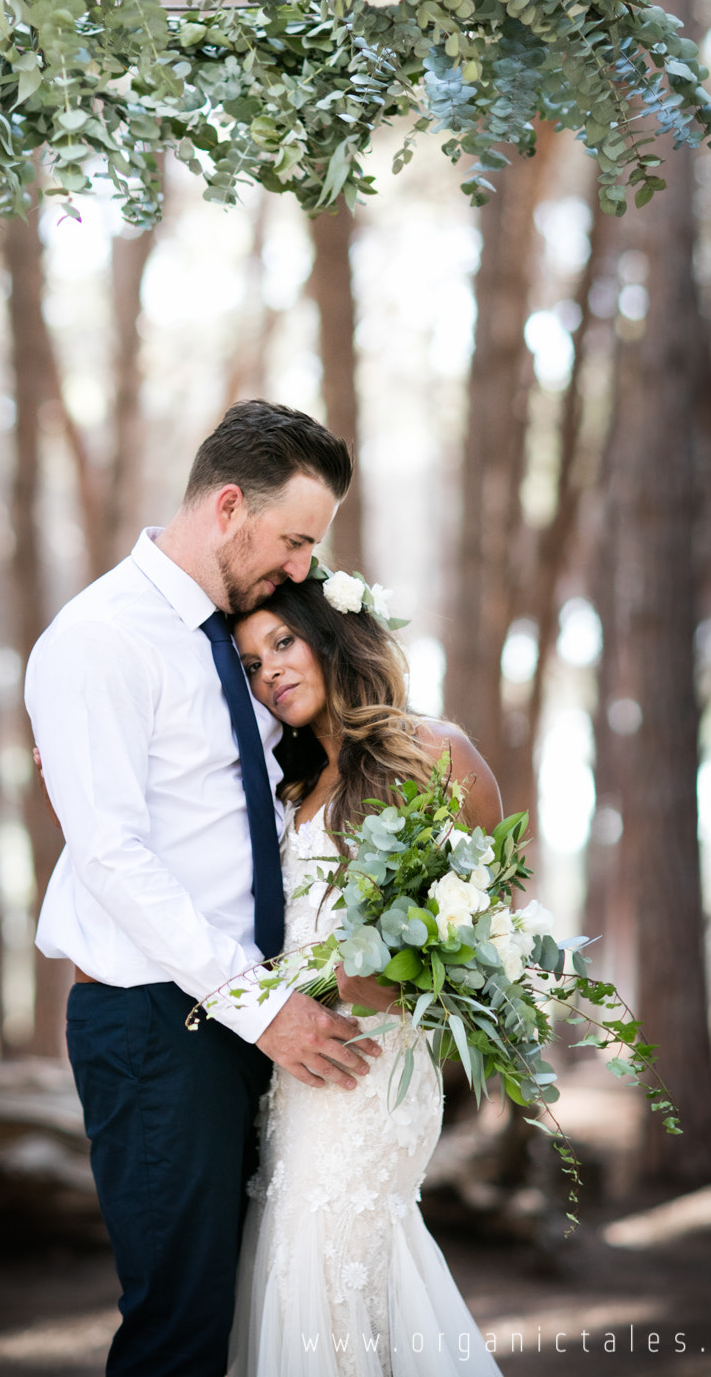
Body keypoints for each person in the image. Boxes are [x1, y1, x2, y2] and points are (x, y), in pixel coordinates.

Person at [25, 401, 385, 1377]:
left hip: (237, 1020)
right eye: (295, 540)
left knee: (243, 1325)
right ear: (229, 506)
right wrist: (263, 1007)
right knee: (179, 1334)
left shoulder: (234, 635)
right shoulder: (101, 639)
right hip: (157, 1028)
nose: (303, 568)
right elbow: (113, 856)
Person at [226, 574, 504, 1376]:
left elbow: (489, 918)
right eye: (250, 663)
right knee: (288, 1260)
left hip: (376, 1069)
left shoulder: (436, 751)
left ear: (333, 635)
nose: (270, 670)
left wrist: (402, 975)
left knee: (336, 1261)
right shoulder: (291, 786)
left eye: (283, 642)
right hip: (293, 1071)